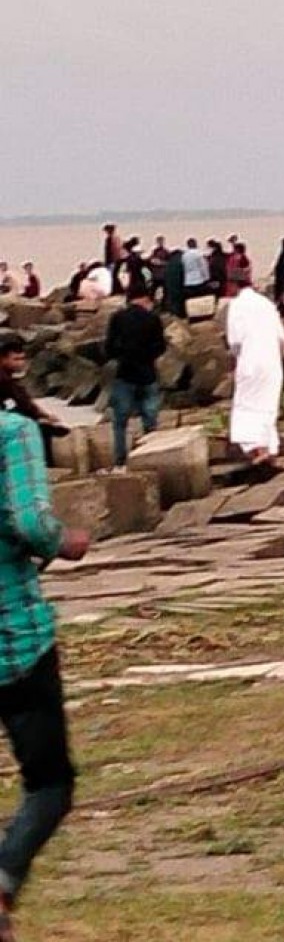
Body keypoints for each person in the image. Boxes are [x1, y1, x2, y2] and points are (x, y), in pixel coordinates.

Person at [0, 407, 91, 942]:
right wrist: (63, 540)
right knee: (50, 785)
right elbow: (30, 523)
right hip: (14, 641)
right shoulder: (12, 433)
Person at [225, 268, 284, 467]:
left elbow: (235, 341)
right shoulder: (266, 304)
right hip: (272, 362)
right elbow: (282, 336)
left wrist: (235, 358)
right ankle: (270, 448)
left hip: (250, 361)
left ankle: (258, 449)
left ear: (233, 285)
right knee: (268, 406)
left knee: (247, 406)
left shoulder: (237, 305)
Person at [103, 279, 167, 467]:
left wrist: (121, 356)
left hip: (125, 374)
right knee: (150, 419)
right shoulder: (153, 318)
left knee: (120, 422)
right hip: (147, 374)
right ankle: (149, 457)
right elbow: (161, 346)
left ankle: (121, 460)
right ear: (146, 298)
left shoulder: (117, 318)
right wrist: (148, 357)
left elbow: (109, 348)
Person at [0, 337, 69, 465]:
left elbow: (23, 400)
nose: (21, 363)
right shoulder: (3, 379)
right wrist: (43, 417)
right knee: (44, 429)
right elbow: (23, 402)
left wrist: (43, 415)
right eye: (16, 359)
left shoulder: (7, 377)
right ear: (3, 359)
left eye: (22, 359)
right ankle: (46, 464)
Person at [181, 238, 211, 310]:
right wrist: (207, 278)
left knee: (190, 301)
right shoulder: (199, 254)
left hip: (188, 281)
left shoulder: (184, 255)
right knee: (199, 300)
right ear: (195, 244)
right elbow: (204, 267)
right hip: (199, 280)